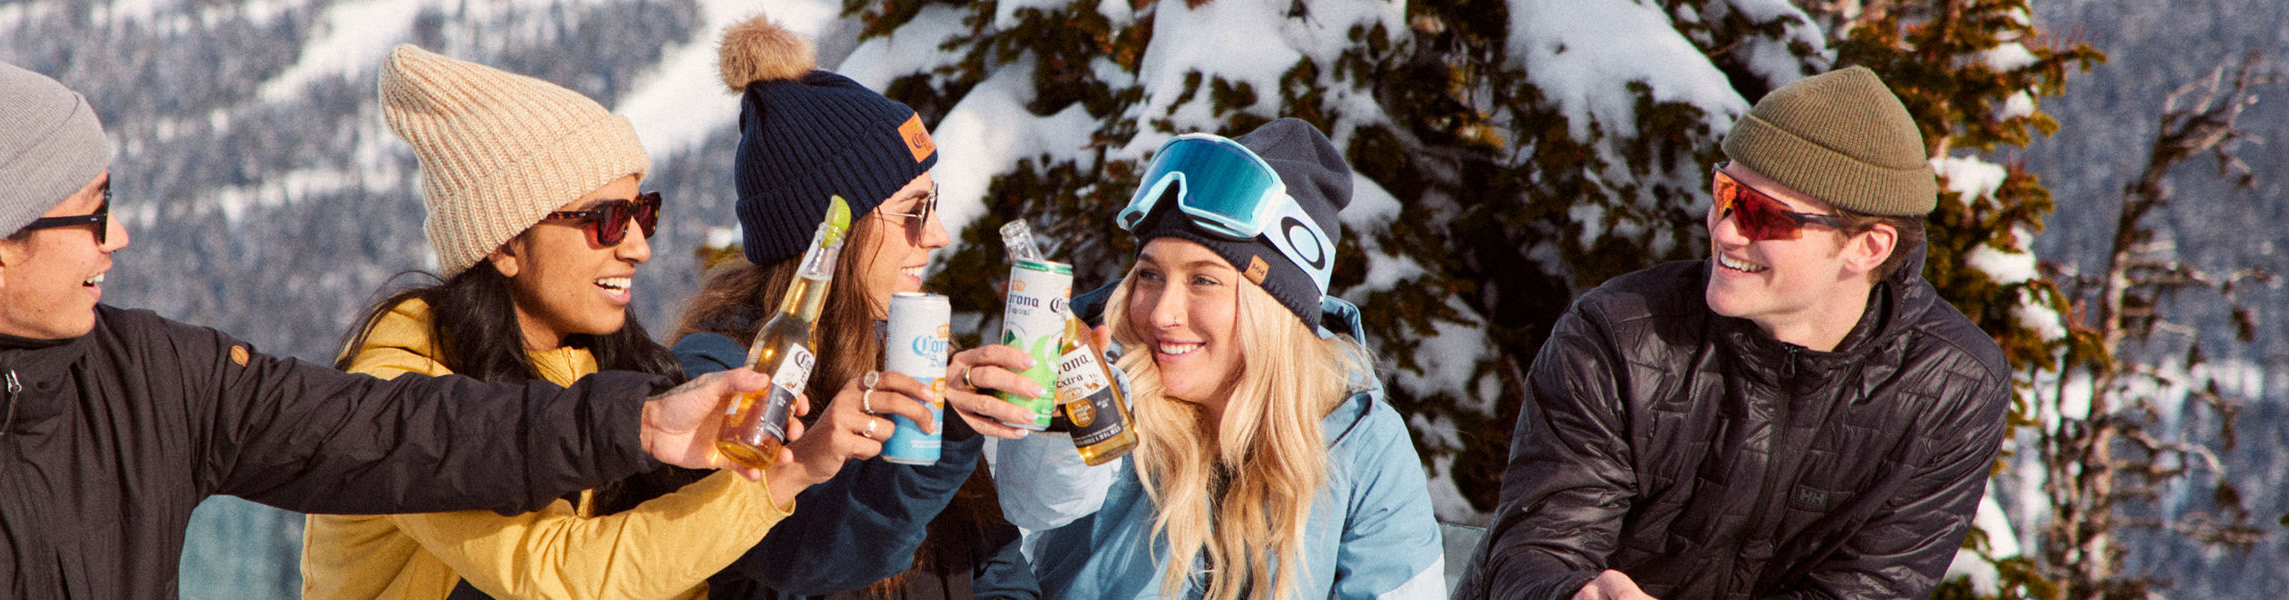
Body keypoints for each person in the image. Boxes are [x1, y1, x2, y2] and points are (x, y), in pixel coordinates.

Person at [0, 52, 767, 599]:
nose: (118, 236)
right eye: (92, 214)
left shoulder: (148, 378)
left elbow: (400, 433)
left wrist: (636, 426)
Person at [296, 45, 926, 600]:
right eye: (604, 220)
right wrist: (784, 476)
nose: (636, 247)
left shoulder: (597, 362)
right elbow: (551, 574)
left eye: (642, 214)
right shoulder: (402, 392)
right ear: (504, 245)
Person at [1453, 66, 2011, 600]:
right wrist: (1571, 593)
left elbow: (1864, 589)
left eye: (1764, 216)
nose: (1725, 231)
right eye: (1725, 194)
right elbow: (1538, 547)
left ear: (1868, 247)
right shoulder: (1620, 337)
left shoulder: (1954, 388)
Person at [982, 118, 1446, 600]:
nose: (1162, 313)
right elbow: (1032, 506)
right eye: (1149, 275)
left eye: (1203, 280)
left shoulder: (1360, 442)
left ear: (1276, 309)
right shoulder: (1110, 387)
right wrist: (1061, 419)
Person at [672, 17, 1043, 599]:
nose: (940, 234)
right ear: (832, 234)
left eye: (934, 204)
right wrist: (925, 446)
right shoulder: (722, 373)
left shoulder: (908, 346)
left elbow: (991, 564)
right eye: (914, 211)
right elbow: (793, 557)